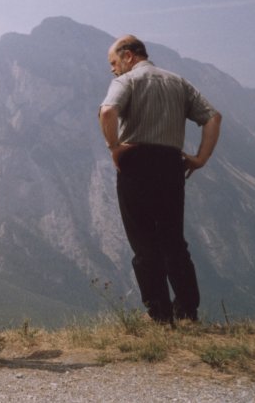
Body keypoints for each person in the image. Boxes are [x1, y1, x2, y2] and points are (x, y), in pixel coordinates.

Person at [99, 35, 221, 324]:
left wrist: (114, 147)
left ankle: (160, 314)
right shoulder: (177, 82)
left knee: (144, 242)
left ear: (128, 56)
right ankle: (187, 311)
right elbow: (213, 118)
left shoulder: (126, 82)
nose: (113, 70)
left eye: (114, 63)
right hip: (170, 165)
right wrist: (200, 158)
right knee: (173, 241)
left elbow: (107, 112)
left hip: (136, 165)